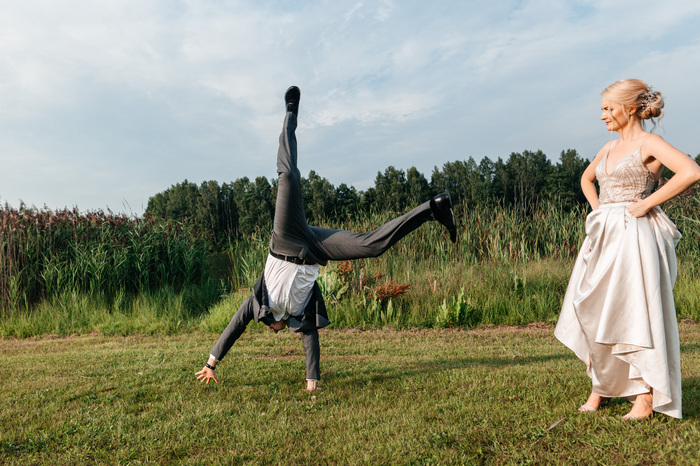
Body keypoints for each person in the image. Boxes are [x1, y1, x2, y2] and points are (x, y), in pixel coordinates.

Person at [196, 86, 457, 391]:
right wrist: (312, 383)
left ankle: (290, 113)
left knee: (289, 176)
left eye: (273, 330)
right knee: (371, 246)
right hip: (316, 249)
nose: (277, 332)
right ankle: (433, 209)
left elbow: (234, 327)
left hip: (285, 240)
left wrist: (211, 362)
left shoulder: (258, 305)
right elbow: (311, 344)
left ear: (269, 322)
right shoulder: (299, 313)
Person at [555, 79, 700, 420]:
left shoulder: (650, 143)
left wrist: (645, 203)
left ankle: (645, 395)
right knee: (594, 307)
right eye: (602, 109)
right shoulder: (607, 149)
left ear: (631, 108)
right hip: (603, 235)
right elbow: (586, 179)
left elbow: (691, 172)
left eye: (609, 108)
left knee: (632, 310)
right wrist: (597, 210)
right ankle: (601, 386)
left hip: (636, 235)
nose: (603, 115)